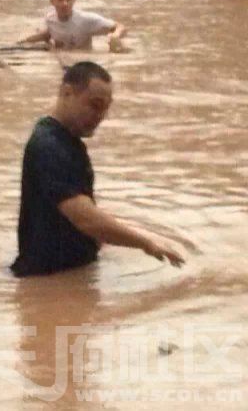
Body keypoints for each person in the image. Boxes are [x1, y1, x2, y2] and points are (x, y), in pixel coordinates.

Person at [10, 61, 185, 277]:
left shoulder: (67, 141)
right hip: (51, 279)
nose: (101, 115)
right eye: (94, 104)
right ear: (66, 93)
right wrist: (146, 243)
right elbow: (86, 218)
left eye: (106, 108)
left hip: (70, 275)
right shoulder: (50, 146)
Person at [18, 0, 126, 52]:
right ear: (52, 2)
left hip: (84, 60)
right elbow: (47, 34)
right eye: (60, 0)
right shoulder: (50, 19)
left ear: (74, 1)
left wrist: (116, 36)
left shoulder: (86, 19)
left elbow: (120, 26)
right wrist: (22, 43)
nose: (65, 4)